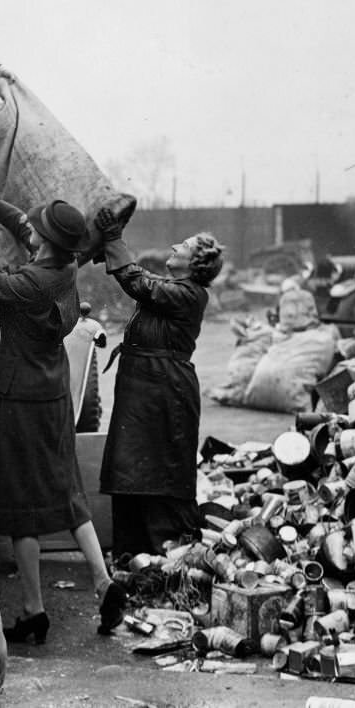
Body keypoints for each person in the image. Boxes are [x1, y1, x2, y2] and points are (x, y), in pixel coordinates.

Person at [0, 197, 126, 642]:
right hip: (53, 393)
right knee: (66, 487)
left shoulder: (30, 282)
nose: (27, 227)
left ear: (45, 240)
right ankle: (104, 581)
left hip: (23, 398)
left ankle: (33, 611)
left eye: (35, 227)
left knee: (19, 504)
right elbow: (22, 224)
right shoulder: (64, 270)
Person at [94, 207, 226, 560]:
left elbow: (137, 282)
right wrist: (108, 247)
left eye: (181, 245)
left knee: (157, 471)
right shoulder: (176, 289)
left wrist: (112, 241)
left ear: (194, 262)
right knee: (131, 469)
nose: (172, 245)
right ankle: (131, 556)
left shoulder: (189, 294)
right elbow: (139, 280)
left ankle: (166, 557)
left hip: (165, 392)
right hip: (147, 388)